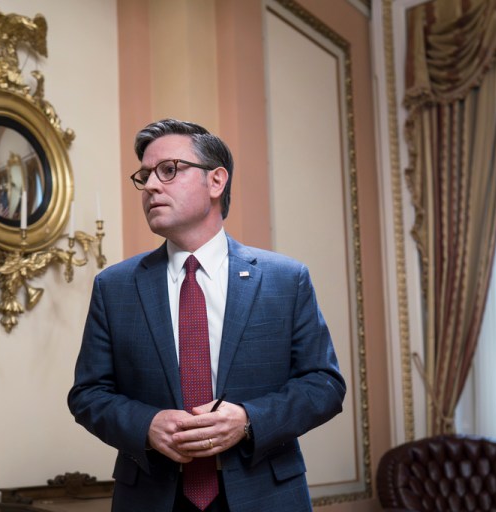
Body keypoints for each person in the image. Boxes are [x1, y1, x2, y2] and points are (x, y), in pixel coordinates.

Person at [68, 119, 346, 511]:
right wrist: (146, 425)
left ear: (216, 182)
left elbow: (325, 385)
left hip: (265, 495)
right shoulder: (114, 287)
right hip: (153, 496)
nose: (150, 186)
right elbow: (88, 394)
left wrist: (249, 419)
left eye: (168, 170)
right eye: (145, 176)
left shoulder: (285, 279)